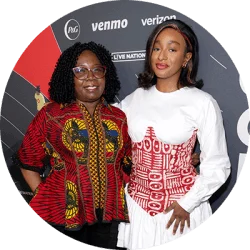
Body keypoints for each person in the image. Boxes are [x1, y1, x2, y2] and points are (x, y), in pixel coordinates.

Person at [115, 19, 231, 249]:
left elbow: (218, 165)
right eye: (157, 48)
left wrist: (187, 203)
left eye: (172, 49)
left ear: (186, 58)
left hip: (180, 214)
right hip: (138, 210)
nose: (161, 56)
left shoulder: (202, 103)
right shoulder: (132, 100)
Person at [13, 41, 132, 249]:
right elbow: (27, 160)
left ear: (106, 74)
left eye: (97, 70)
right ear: (69, 77)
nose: (90, 77)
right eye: (80, 71)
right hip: (61, 216)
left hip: (108, 219)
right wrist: (43, 195)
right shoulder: (51, 115)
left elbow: (129, 161)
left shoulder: (119, 118)